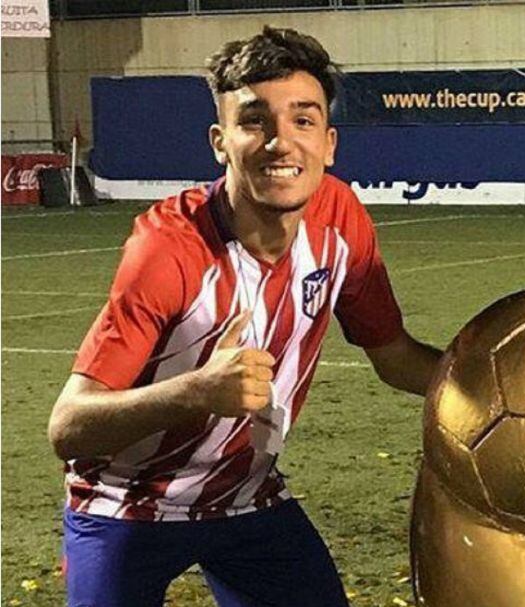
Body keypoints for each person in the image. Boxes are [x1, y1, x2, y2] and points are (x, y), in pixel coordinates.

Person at [47, 26, 442, 607]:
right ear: (220, 141)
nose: (281, 142)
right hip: (124, 503)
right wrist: (196, 391)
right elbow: (69, 427)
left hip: (245, 499)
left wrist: (496, 385)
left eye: (302, 120)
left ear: (329, 143)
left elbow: (395, 357)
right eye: (255, 121)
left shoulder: (342, 220)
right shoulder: (168, 249)